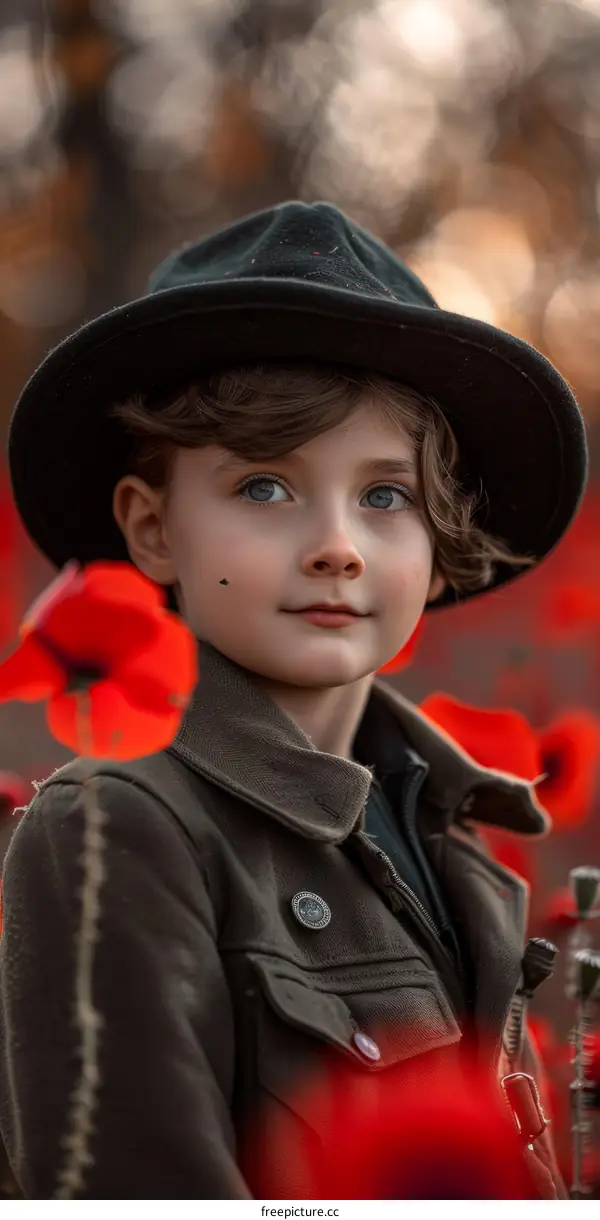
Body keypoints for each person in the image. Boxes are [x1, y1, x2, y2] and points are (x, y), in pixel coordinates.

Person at [0, 201, 588, 1200]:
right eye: (266, 487)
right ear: (150, 529)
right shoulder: (115, 830)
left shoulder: (452, 843)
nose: (336, 544)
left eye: (385, 495)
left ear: (439, 546)